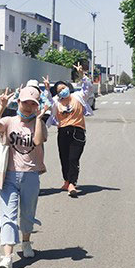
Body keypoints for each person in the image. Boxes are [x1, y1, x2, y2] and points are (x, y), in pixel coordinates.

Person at [0, 85, 50, 268]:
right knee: (8, 215)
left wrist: (39, 119)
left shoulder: (39, 124)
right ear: (18, 102)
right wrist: (1, 106)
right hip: (9, 175)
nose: (28, 107)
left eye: (33, 104)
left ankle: (26, 241)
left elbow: (38, 141)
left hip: (31, 175)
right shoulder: (9, 121)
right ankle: (7, 256)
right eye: (25, 103)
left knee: (27, 213)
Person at [43, 63, 94, 198]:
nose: (62, 90)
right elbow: (48, 101)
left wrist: (82, 75)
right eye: (59, 90)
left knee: (73, 158)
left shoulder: (78, 96)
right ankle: (66, 181)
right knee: (64, 158)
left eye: (64, 87)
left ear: (68, 87)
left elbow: (88, 88)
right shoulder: (56, 102)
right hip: (63, 132)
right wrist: (47, 89)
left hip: (77, 131)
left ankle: (72, 183)